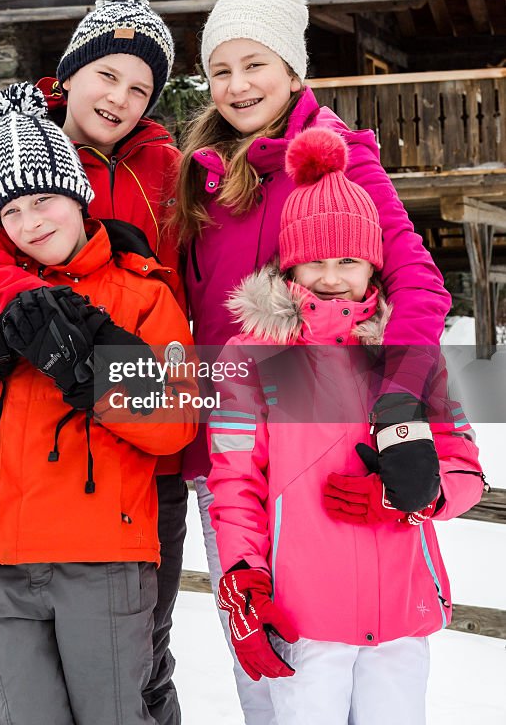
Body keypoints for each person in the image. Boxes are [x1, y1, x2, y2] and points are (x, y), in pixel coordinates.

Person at [174, 0, 454, 725]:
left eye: (254, 63)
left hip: (324, 448)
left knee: (349, 663)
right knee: (265, 668)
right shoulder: (199, 176)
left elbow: (419, 286)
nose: (236, 85)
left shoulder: (341, 161)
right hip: (229, 452)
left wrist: (400, 399)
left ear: (293, 68)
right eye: (220, 70)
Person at [0, 0, 188, 725]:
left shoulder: (169, 173)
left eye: (140, 87)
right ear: (69, 72)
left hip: (138, 469)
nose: (119, 96)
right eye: (106, 73)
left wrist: (106, 356)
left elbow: (186, 321)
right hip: (22, 488)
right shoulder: (14, 161)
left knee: (142, 663)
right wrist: (20, 318)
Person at [206, 126, 485, 725]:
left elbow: (465, 469)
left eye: (349, 260)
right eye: (314, 262)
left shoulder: (410, 355)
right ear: (290, 265)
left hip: (399, 613)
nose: (331, 277)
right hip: (305, 616)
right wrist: (244, 577)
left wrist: (415, 496)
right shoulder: (250, 356)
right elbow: (234, 486)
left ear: (374, 266)